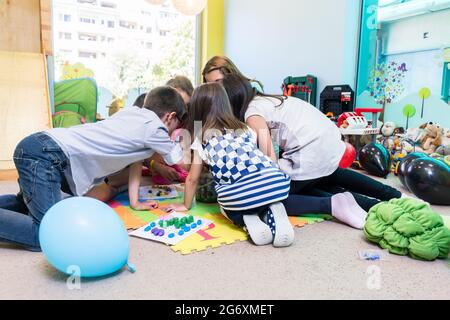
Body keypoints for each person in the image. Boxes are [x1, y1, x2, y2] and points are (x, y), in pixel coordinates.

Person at [0, 86, 186, 251]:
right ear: (170, 116)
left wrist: (135, 203)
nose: (173, 131)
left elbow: (136, 163)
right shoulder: (155, 128)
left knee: (26, 204)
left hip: (41, 147)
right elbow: (177, 159)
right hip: (45, 155)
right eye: (176, 125)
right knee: (45, 235)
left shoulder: (132, 115)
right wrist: (200, 141)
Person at [220, 74, 402, 227]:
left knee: (275, 195)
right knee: (324, 178)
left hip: (310, 152)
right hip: (330, 141)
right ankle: (395, 196)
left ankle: (364, 206)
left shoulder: (252, 113)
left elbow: (270, 157)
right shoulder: (271, 99)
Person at [168, 83, 294, 247]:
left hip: (239, 194)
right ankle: (273, 211)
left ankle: (246, 220)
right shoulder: (246, 129)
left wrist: (185, 205)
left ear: (197, 109)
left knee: (225, 205)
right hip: (275, 182)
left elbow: (192, 179)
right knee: (260, 196)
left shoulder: (202, 138)